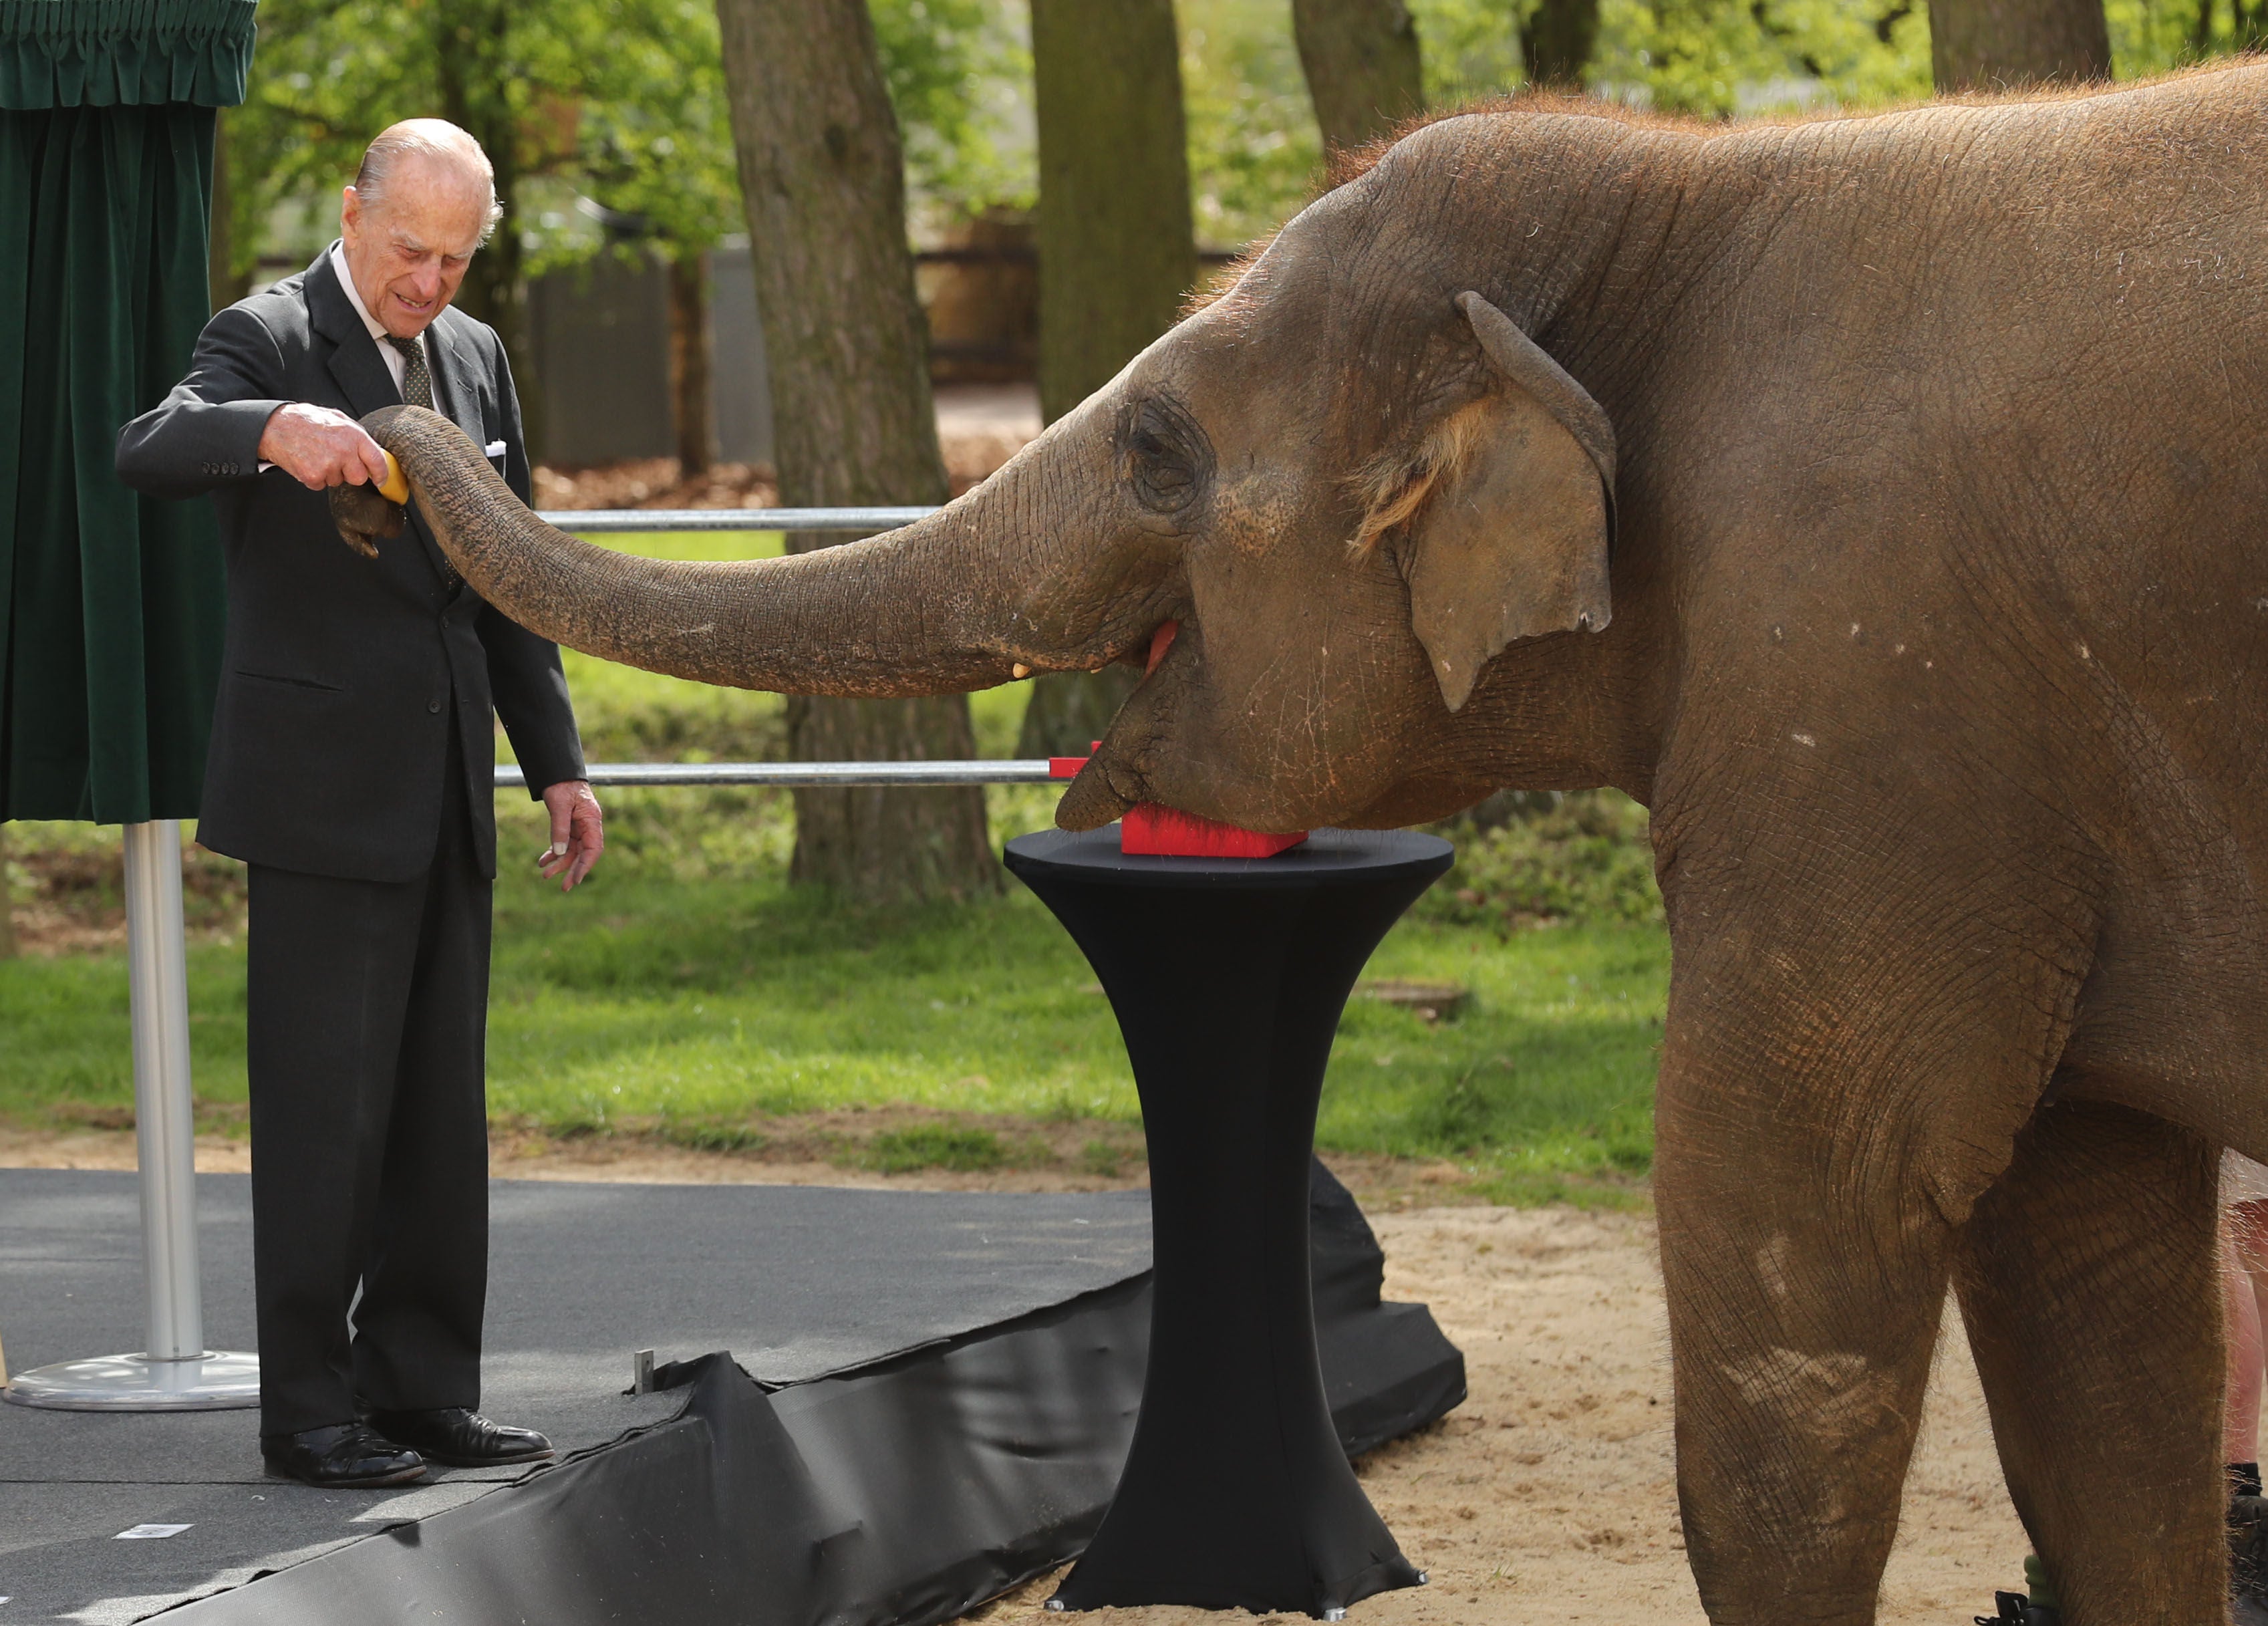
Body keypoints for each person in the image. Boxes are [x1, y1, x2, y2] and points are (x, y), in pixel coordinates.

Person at [116, 120, 603, 1488]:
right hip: (320, 794)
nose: (429, 284)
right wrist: (275, 429)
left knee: (441, 1119)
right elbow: (147, 444)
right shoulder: (265, 332)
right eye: (409, 252)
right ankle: (312, 1410)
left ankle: (425, 1388)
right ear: (353, 212)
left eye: (455, 259)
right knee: (326, 1118)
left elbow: (509, 575)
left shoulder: (478, 354)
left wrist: (553, 760)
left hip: (448, 787)